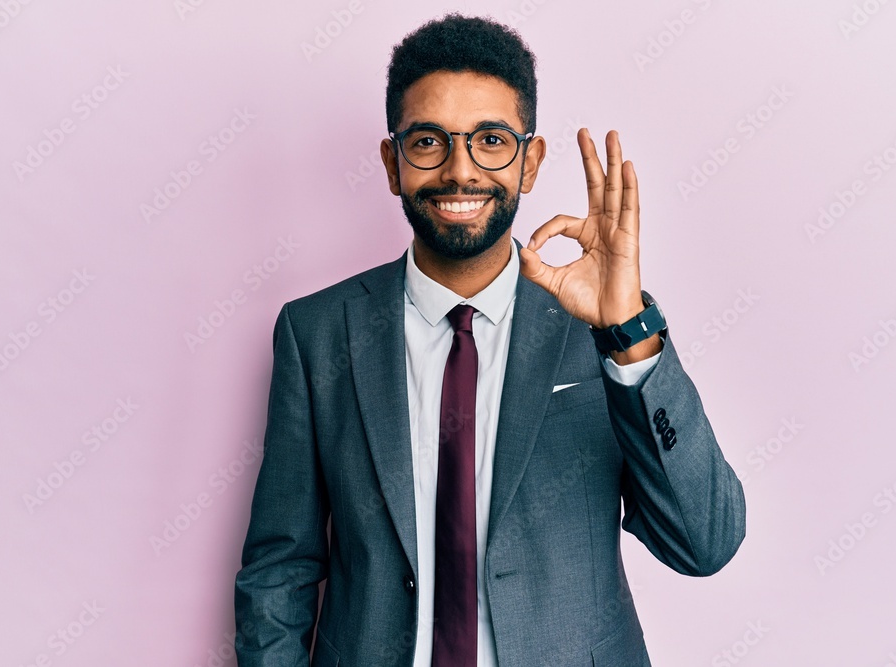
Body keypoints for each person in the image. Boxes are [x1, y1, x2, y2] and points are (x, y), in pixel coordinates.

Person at [234, 13, 745, 667]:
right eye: (428, 142)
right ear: (393, 163)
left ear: (530, 162)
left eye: (491, 140)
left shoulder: (603, 331)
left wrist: (627, 333)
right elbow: (280, 568)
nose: (460, 170)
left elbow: (705, 542)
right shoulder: (316, 334)